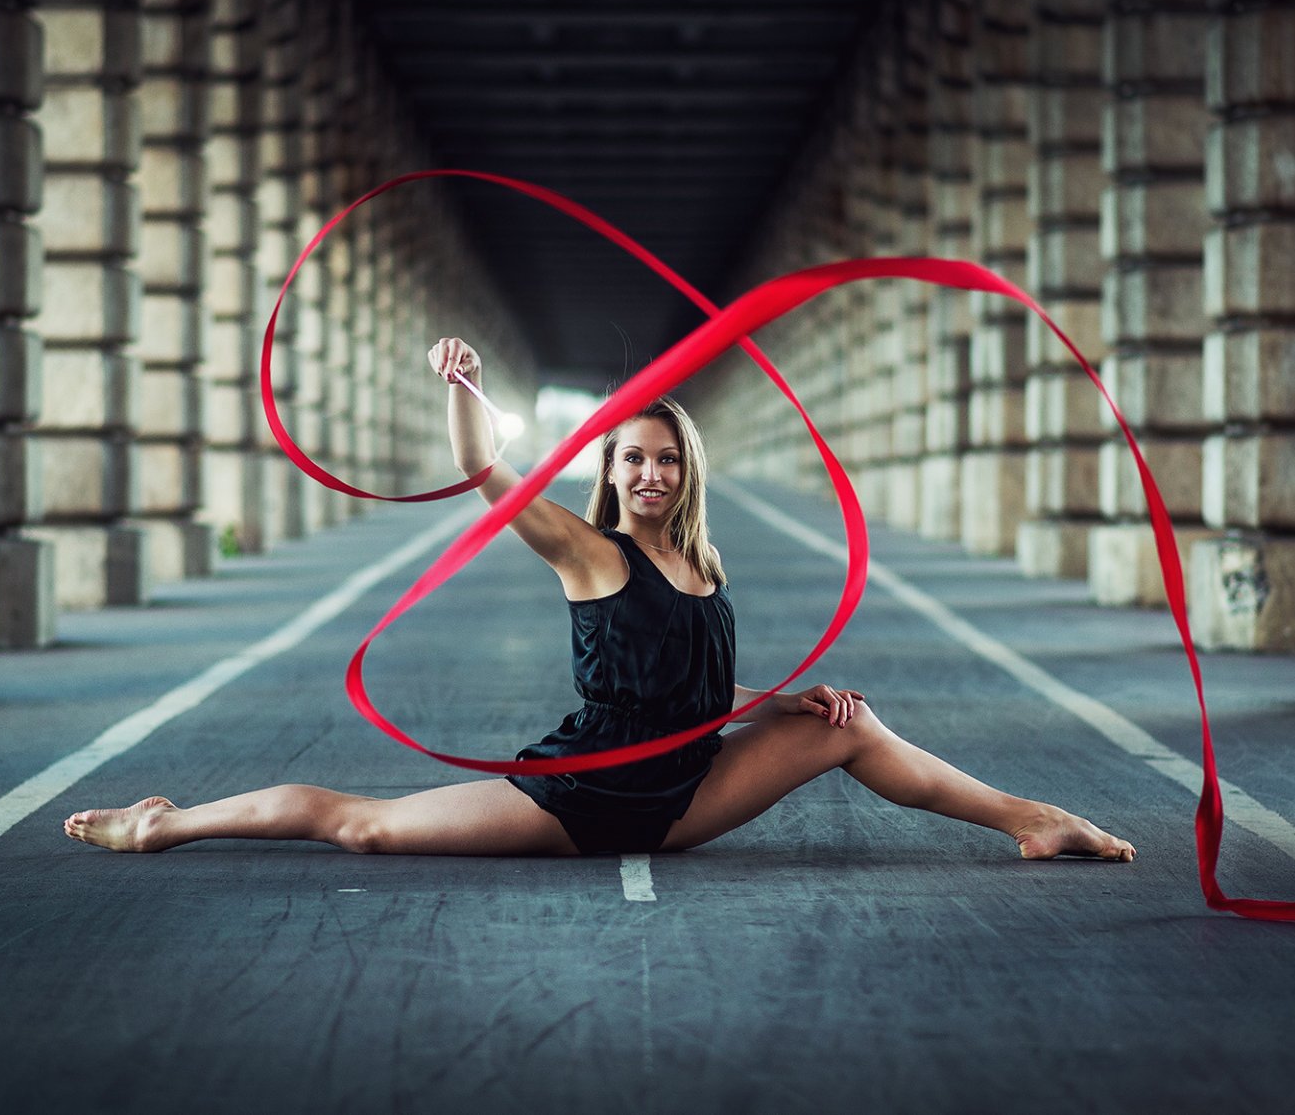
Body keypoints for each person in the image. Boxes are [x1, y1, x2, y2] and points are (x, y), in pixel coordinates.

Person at [64, 336, 1135, 863]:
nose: (649, 476)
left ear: (687, 469)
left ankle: (1032, 822)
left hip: (686, 788)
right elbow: (491, 476)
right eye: (632, 460)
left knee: (856, 725)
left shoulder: (706, 565)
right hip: (587, 791)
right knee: (368, 830)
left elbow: (698, 690)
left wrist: (788, 703)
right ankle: (170, 822)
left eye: (666, 460)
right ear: (612, 470)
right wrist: (465, 388)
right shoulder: (588, 552)